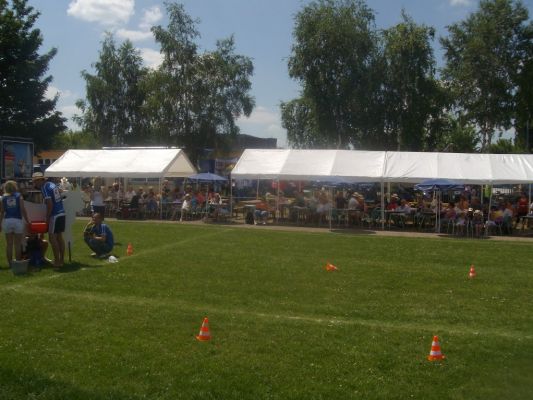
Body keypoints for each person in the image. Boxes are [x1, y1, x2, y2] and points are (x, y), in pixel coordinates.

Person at [32, 172, 66, 268]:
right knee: (59, 238)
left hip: (55, 214)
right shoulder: (52, 184)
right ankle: (61, 260)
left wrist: (46, 218)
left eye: (35, 181)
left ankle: (57, 261)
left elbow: (50, 204)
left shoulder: (44, 188)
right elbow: (60, 193)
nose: (35, 184)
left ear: (40, 180)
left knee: (52, 238)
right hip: (62, 212)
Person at [0, 180, 31, 267]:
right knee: (17, 244)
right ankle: (17, 262)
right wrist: (27, 220)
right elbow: (22, 209)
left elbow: (2, 212)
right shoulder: (19, 196)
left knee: (9, 244)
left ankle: (10, 263)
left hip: (7, 221)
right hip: (17, 220)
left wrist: (0, 223)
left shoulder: (3, 197)